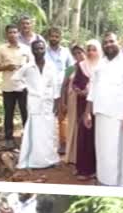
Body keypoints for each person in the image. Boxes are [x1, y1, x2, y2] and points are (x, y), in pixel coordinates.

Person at [84, 32, 123, 187]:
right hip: (101, 114)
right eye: (105, 42)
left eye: (111, 41)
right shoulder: (100, 65)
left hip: (120, 117)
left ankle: (122, 183)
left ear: (119, 42)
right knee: (103, 151)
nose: (108, 44)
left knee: (121, 152)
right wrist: (88, 112)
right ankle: (105, 180)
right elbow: (93, 90)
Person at [14, 40, 61, 170]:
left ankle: (49, 159)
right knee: (35, 131)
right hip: (34, 103)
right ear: (32, 51)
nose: (39, 51)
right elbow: (16, 79)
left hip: (48, 103)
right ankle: (34, 160)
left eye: (41, 48)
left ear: (45, 49)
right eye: (36, 49)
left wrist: (57, 102)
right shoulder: (28, 67)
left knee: (49, 132)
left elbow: (56, 85)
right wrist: (25, 89)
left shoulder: (51, 66)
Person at [0, 24, 32, 145]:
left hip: (23, 86)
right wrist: (6, 67)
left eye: (15, 32)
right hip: (8, 87)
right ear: (6, 34)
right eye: (10, 32)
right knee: (9, 113)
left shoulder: (26, 49)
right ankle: (8, 138)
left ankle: (28, 136)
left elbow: (32, 66)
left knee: (26, 112)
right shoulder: (2, 49)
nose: (13, 34)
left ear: (18, 33)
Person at [73, 40, 102, 181]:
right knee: (85, 135)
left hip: (100, 105)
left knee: (98, 136)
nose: (91, 52)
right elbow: (75, 83)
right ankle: (84, 169)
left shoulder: (103, 66)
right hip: (83, 104)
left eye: (94, 49)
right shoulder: (81, 66)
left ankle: (97, 169)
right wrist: (80, 91)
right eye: (89, 49)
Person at [44, 27, 75, 155]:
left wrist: (67, 81)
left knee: (62, 115)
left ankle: (63, 143)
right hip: (47, 87)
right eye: (52, 36)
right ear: (48, 37)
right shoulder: (43, 51)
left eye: (57, 36)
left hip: (62, 87)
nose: (54, 39)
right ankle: (48, 142)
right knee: (48, 114)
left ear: (60, 38)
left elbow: (71, 67)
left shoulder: (66, 52)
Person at [61, 44, 86, 164]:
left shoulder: (90, 67)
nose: (78, 55)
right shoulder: (71, 68)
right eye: (75, 54)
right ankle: (72, 156)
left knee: (83, 127)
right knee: (72, 125)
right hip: (72, 100)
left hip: (86, 100)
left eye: (80, 52)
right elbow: (64, 85)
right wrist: (63, 102)